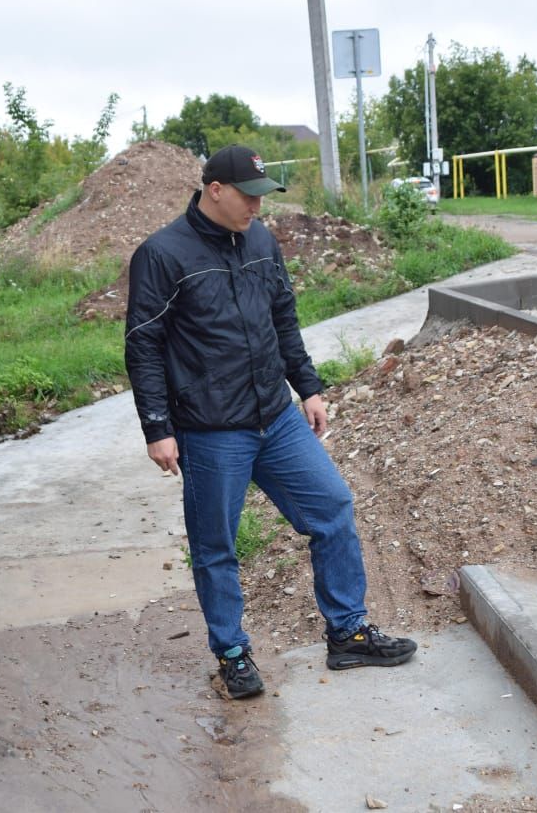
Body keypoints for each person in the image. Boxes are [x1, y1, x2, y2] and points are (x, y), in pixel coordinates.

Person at [124, 144, 417, 699]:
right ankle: (232, 654)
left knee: (332, 508)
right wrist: (157, 426)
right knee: (216, 544)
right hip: (212, 430)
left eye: (263, 196)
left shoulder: (259, 240)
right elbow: (143, 345)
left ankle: (348, 631)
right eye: (249, 196)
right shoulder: (162, 254)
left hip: (275, 418)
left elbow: (283, 316)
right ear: (215, 190)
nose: (258, 207)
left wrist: (307, 386)